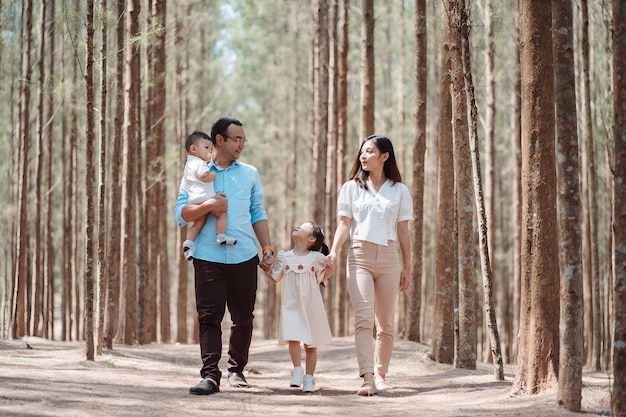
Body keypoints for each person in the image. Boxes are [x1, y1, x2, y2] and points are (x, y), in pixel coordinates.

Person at [174, 117, 275, 396]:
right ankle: (209, 376)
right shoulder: (196, 170)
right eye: (237, 139)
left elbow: (258, 212)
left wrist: (267, 248)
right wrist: (208, 204)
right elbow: (181, 213)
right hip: (208, 255)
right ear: (220, 140)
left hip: (244, 254)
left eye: (244, 139)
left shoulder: (250, 173)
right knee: (209, 316)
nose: (242, 144)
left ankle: (236, 370)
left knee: (244, 317)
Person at [325, 134, 413, 397]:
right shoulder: (351, 187)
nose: (363, 156)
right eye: (361, 152)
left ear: (385, 156)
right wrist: (333, 253)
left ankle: (382, 374)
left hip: (389, 258)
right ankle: (367, 378)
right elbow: (344, 224)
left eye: (369, 152)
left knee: (385, 323)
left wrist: (407, 267)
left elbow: (404, 231)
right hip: (359, 255)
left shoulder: (399, 190)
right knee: (363, 320)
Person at [263, 221, 334, 393]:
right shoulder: (284, 256)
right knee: (293, 337)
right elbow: (275, 278)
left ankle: (309, 378)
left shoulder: (316, 258)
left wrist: (331, 269)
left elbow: (323, 277)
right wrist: (266, 269)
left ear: (311, 238)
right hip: (291, 305)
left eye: (303, 226)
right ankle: (297, 370)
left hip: (311, 306)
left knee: (311, 344)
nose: (297, 226)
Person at [181, 132, 237, 261]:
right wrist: (213, 175)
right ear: (193, 149)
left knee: (198, 223)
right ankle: (221, 236)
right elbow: (204, 176)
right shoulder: (199, 163)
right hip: (205, 197)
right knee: (222, 212)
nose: (209, 152)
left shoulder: (189, 164)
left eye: (211, 149)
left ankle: (188, 243)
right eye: (206, 148)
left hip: (194, 199)